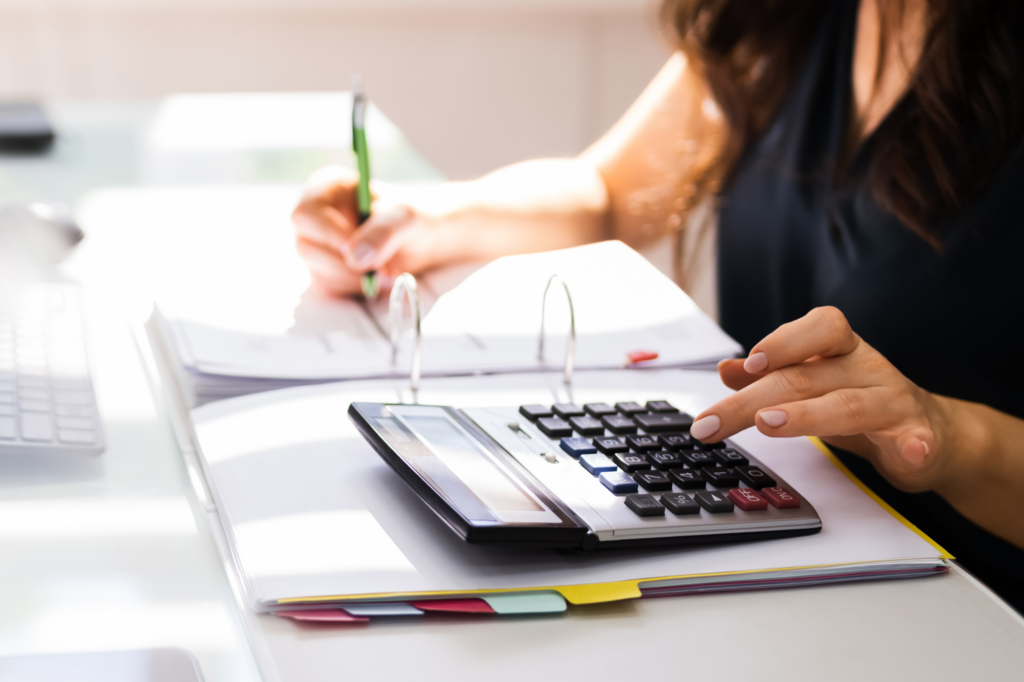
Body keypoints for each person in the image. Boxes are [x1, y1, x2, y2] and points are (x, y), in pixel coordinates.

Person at [292, 0, 1024, 609]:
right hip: (767, 568)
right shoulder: (783, 20)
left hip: (969, 611)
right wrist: (428, 221)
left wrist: (950, 440)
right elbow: (612, 192)